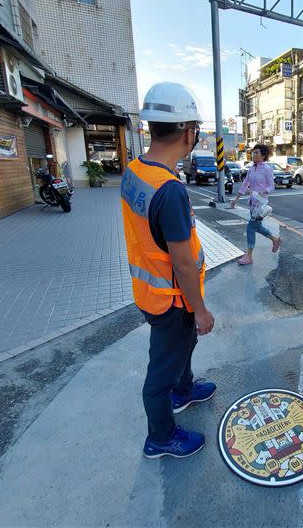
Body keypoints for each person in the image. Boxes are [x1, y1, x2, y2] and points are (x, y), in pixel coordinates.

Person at [121, 82, 217, 460]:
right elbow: (180, 261)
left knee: (181, 349)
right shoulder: (170, 190)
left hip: (150, 291)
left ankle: (184, 388)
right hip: (171, 299)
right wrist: (200, 309)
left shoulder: (135, 171)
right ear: (189, 132)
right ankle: (160, 437)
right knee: (161, 370)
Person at [231, 144, 282, 265]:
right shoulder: (251, 168)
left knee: (250, 228)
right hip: (252, 203)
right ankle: (275, 240)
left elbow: (272, 186)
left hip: (261, 205)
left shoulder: (266, 168)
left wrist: (264, 191)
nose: (254, 154)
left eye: (257, 153)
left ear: (263, 155)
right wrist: (236, 199)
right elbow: (245, 184)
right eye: (253, 152)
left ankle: (248, 256)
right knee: (257, 227)